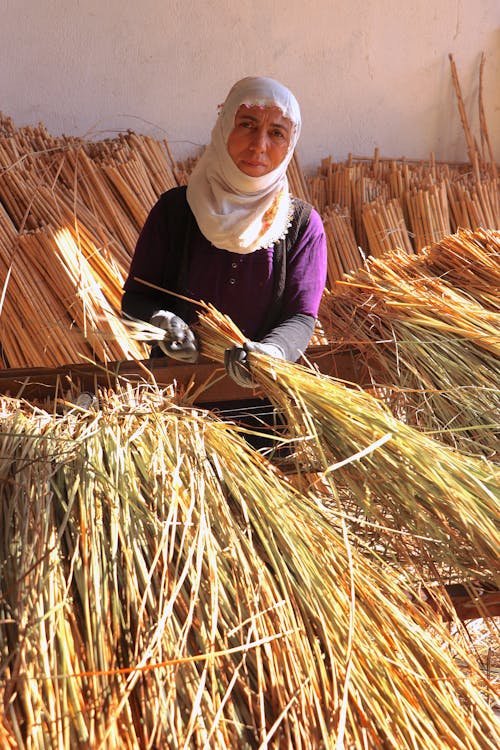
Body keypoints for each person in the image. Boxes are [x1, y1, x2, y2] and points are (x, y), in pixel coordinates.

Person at [122, 76, 327, 394]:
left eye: (276, 133)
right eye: (247, 125)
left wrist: (270, 355)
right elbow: (135, 298)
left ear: (291, 144)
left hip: (263, 406)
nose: (259, 145)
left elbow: (301, 317)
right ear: (223, 127)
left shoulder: (302, 226)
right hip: (178, 402)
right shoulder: (175, 211)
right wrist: (160, 321)